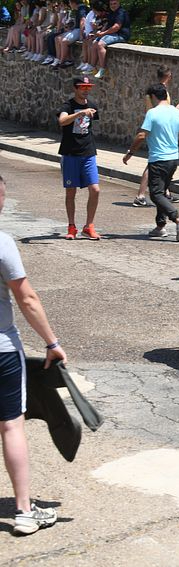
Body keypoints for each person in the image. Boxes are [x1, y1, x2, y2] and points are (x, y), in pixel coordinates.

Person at [0, 174, 68, 535]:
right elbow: (27, 299)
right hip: (1, 351)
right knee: (11, 425)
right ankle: (24, 512)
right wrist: (52, 342)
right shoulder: (2, 243)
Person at [123, 83, 179, 240]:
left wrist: (130, 153)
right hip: (173, 160)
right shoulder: (177, 113)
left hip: (158, 159)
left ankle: (177, 218)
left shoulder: (152, 113)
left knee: (155, 194)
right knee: (161, 192)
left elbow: (142, 135)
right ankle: (160, 226)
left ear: (153, 97)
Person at [57, 76, 101, 240]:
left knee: (95, 190)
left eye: (88, 87)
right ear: (75, 88)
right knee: (71, 192)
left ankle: (89, 226)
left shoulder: (93, 105)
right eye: (83, 87)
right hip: (70, 153)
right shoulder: (68, 105)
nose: (86, 90)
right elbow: (62, 121)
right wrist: (81, 113)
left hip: (88, 152)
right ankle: (71, 226)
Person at [133, 65, 179, 207]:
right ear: (168, 75)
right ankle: (141, 195)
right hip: (159, 127)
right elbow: (159, 110)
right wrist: (175, 110)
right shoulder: (161, 91)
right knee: (153, 163)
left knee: (158, 162)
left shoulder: (154, 89)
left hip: (156, 125)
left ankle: (165, 192)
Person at [90, 0, 129, 79]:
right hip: (112, 34)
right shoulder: (111, 12)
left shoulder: (121, 12)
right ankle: (93, 68)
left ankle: (102, 69)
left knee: (100, 44)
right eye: (111, 4)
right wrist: (98, 33)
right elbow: (107, 25)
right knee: (94, 43)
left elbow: (116, 27)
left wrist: (103, 34)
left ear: (119, 3)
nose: (113, 5)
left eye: (115, 3)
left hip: (121, 35)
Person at [54, 0, 86, 68]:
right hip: (75, 29)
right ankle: (59, 59)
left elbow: (83, 21)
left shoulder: (81, 9)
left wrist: (81, 34)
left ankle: (62, 62)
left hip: (79, 30)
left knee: (64, 41)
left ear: (73, 2)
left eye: (69, 3)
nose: (69, 4)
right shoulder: (77, 9)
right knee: (57, 38)